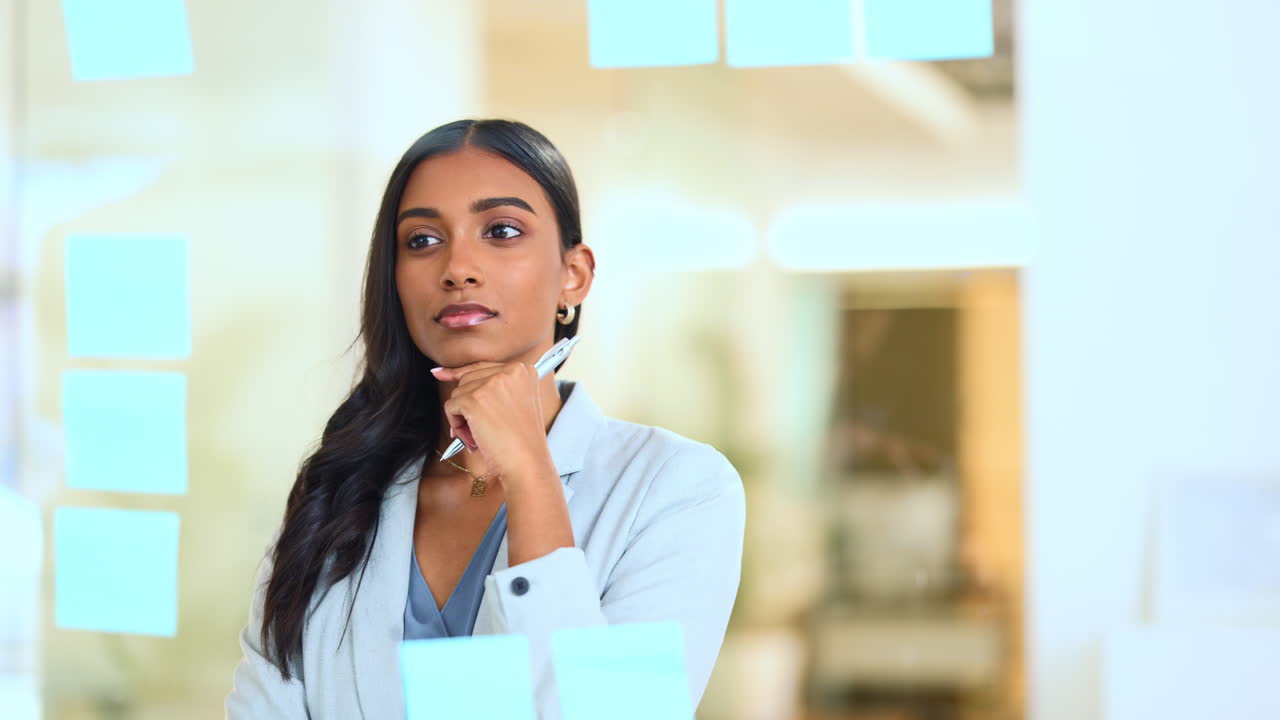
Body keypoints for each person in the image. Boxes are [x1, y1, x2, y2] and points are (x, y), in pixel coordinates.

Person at [225, 118, 747, 719]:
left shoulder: (678, 488)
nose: (457, 267)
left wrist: (529, 472)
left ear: (572, 276)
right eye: (422, 240)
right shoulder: (337, 492)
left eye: (501, 230)